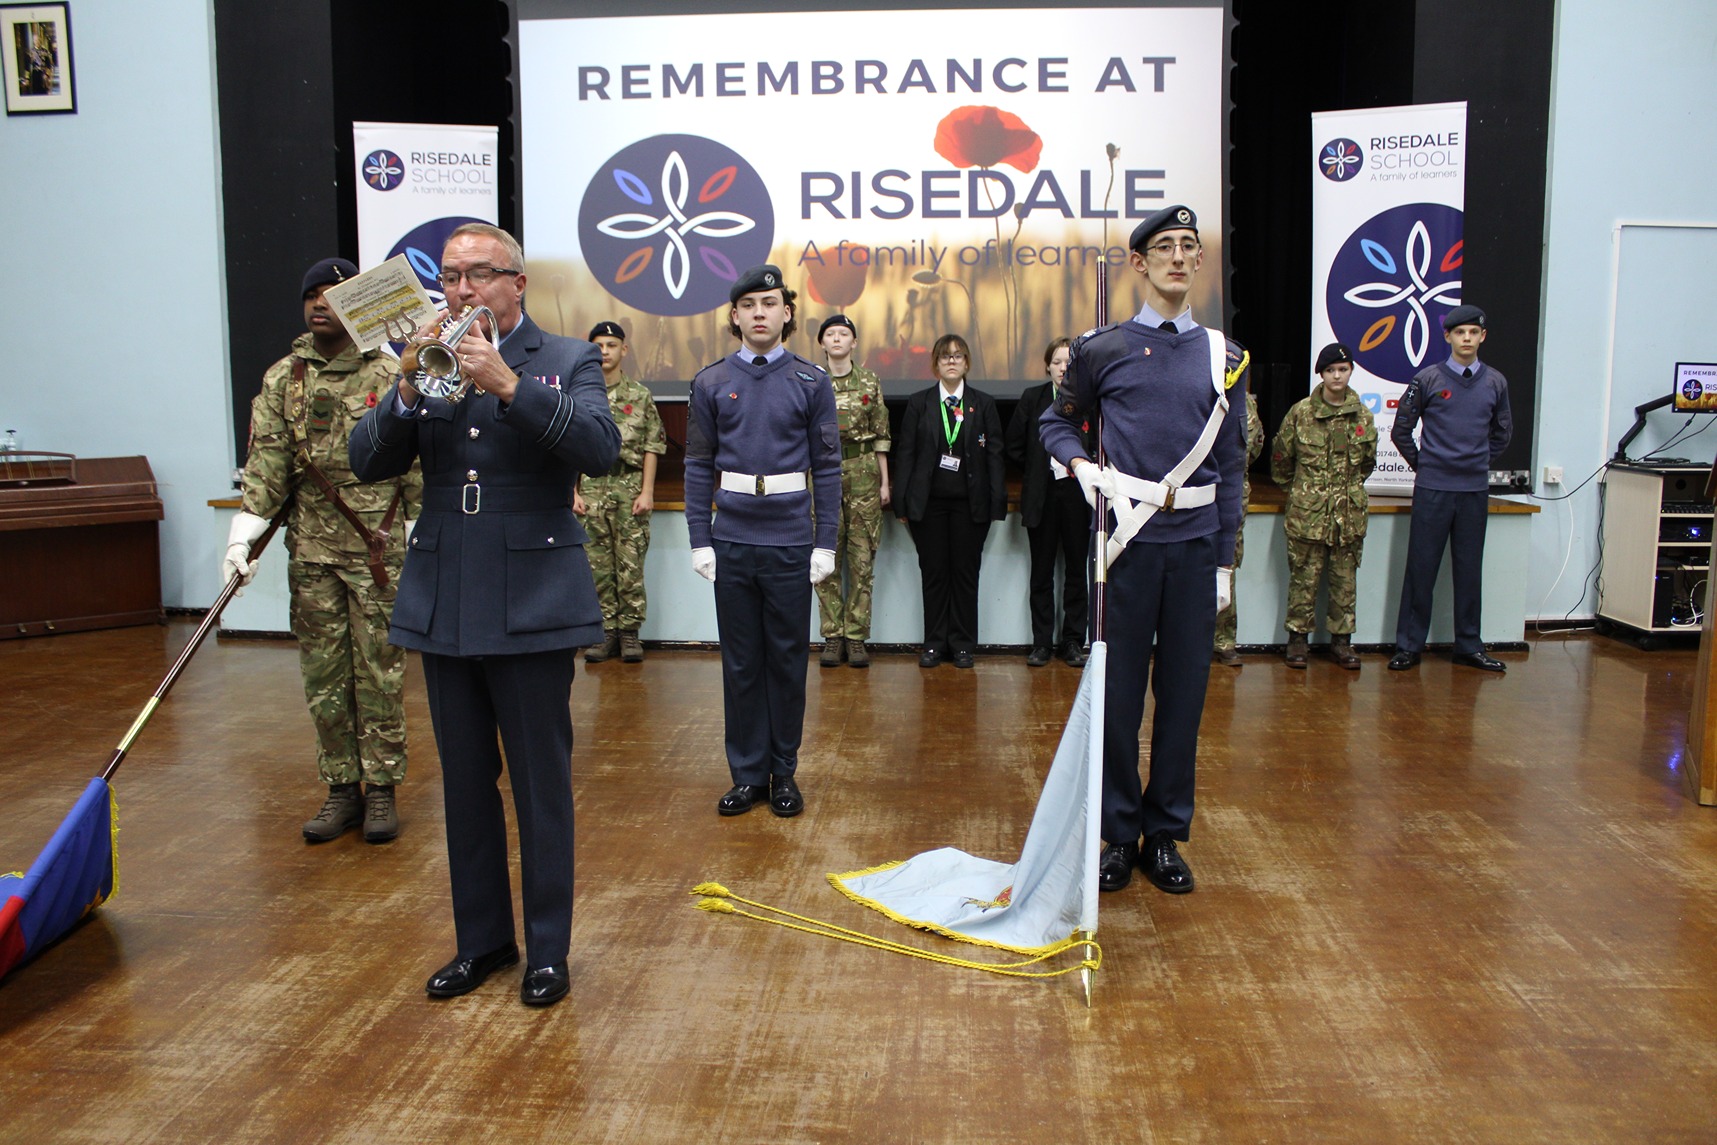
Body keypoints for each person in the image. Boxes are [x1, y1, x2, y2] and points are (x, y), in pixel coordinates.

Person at [349, 223, 619, 1007]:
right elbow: (366, 461)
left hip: (533, 595)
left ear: (516, 282)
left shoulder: (564, 357)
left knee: (539, 785)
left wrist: (507, 384)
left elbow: (600, 449)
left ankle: (547, 950)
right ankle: (482, 941)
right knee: (465, 785)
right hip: (445, 593)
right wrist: (406, 388)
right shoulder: (424, 356)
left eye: (478, 274)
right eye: (450, 276)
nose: (461, 290)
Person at [1039, 204, 1248, 895]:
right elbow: (1055, 421)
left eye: (1189, 246)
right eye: (1164, 247)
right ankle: (1119, 834)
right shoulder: (1102, 348)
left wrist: (1225, 560)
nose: (1178, 257)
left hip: (1194, 548)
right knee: (1119, 700)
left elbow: (1232, 463)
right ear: (1139, 262)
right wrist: (1078, 465)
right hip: (1124, 548)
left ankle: (1164, 836)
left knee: (1183, 701)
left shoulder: (1224, 356)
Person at [225, 257, 421, 845]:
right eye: (312, 293)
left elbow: (415, 462)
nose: (319, 303)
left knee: (380, 673)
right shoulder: (284, 379)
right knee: (324, 676)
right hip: (312, 551)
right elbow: (268, 462)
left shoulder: (391, 372)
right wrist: (242, 536)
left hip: (376, 551)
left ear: (358, 306)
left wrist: (421, 531)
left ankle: (381, 788)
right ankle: (341, 788)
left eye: (334, 295)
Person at [684, 264, 841, 817]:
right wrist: (699, 539)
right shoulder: (709, 382)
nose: (759, 313)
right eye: (748, 305)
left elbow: (828, 468)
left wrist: (825, 543)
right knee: (741, 663)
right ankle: (747, 775)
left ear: (787, 313)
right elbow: (697, 465)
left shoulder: (812, 382)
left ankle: (783, 773)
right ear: (734, 316)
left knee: (788, 661)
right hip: (731, 540)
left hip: (790, 541)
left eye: (769, 303)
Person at [1388, 304, 1513, 672]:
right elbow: (1401, 430)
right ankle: (1409, 646)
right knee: (1421, 568)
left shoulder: (1495, 382)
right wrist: (1426, 464)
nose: (1467, 339)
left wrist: (1477, 462)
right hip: (1433, 489)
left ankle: (1469, 646)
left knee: (1469, 570)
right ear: (1448, 336)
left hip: (1473, 490)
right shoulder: (1427, 379)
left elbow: (1503, 432)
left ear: (1482, 337)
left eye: (1473, 333)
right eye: (1460, 333)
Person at [893, 333, 1007, 668]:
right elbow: (907, 453)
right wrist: (901, 501)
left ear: (967, 363)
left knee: (965, 575)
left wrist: (997, 501)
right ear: (936, 364)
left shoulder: (983, 403)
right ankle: (933, 644)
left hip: (970, 507)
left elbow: (995, 456)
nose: (952, 361)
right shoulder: (919, 403)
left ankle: (962, 645)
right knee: (934, 575)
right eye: (945, 356)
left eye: (958, 356)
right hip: (928, 506)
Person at [1271, 343, 1378, 669]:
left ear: (1350, 372)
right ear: (1321, 373)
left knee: (1345, 582)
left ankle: (1342, 642)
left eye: (1343, 370)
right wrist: (1306, 492)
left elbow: (1367, 463)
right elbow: (1281, 461)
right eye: (1330, 370)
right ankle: (1297, 640)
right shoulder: (1301, 413)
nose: (1337, 376)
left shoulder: (1362, 416)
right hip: (1308, 515)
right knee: (1303, 579)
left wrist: (1344, 492)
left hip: (1348, 515)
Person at [575, 321, 666, 664]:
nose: (605, 352)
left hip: (629, 487)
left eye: (611, 345)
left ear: (624, 350)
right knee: (597, 566)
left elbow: (652, 446)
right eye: (598, 345)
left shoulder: (639, 395)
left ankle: (629, 634)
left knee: (629, 566)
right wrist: (573, 491)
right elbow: (568, 445)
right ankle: (605, 634)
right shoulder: (579, 395)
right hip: (591, 485)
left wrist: (647, 492)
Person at [1007, 337, 1092, 667]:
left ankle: (1073, 641)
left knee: (1076, 571)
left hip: (1078, 494)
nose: (1062, 368)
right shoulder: (1033, 398)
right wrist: (1037, 468)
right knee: (1041, 573)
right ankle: (1041, 643)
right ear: (1047, 367)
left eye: (1068, 362)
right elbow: (1014, 445)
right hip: (1042, 494)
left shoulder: (1088, 400)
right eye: (1056, 362)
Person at [813, 314, 891, 669]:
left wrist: (884, 482)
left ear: (854, 342)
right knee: (824, 556)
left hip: (863, 473)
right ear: (822, 342)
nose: (837, 339)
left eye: (843, 334)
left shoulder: (870, 381)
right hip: (823, 472)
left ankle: (856, 637)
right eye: (830, 334)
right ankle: (833, 636)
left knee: (862, 559)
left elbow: (881, 436)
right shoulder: (811, 382)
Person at [1212, 389, 1263, 666]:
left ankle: (1224, 640)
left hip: (1231, 493)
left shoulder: (1242, 402)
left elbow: (1253, 446)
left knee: (1227, 565)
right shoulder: (1194, 388)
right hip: (1192, 488)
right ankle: (1186, 638)